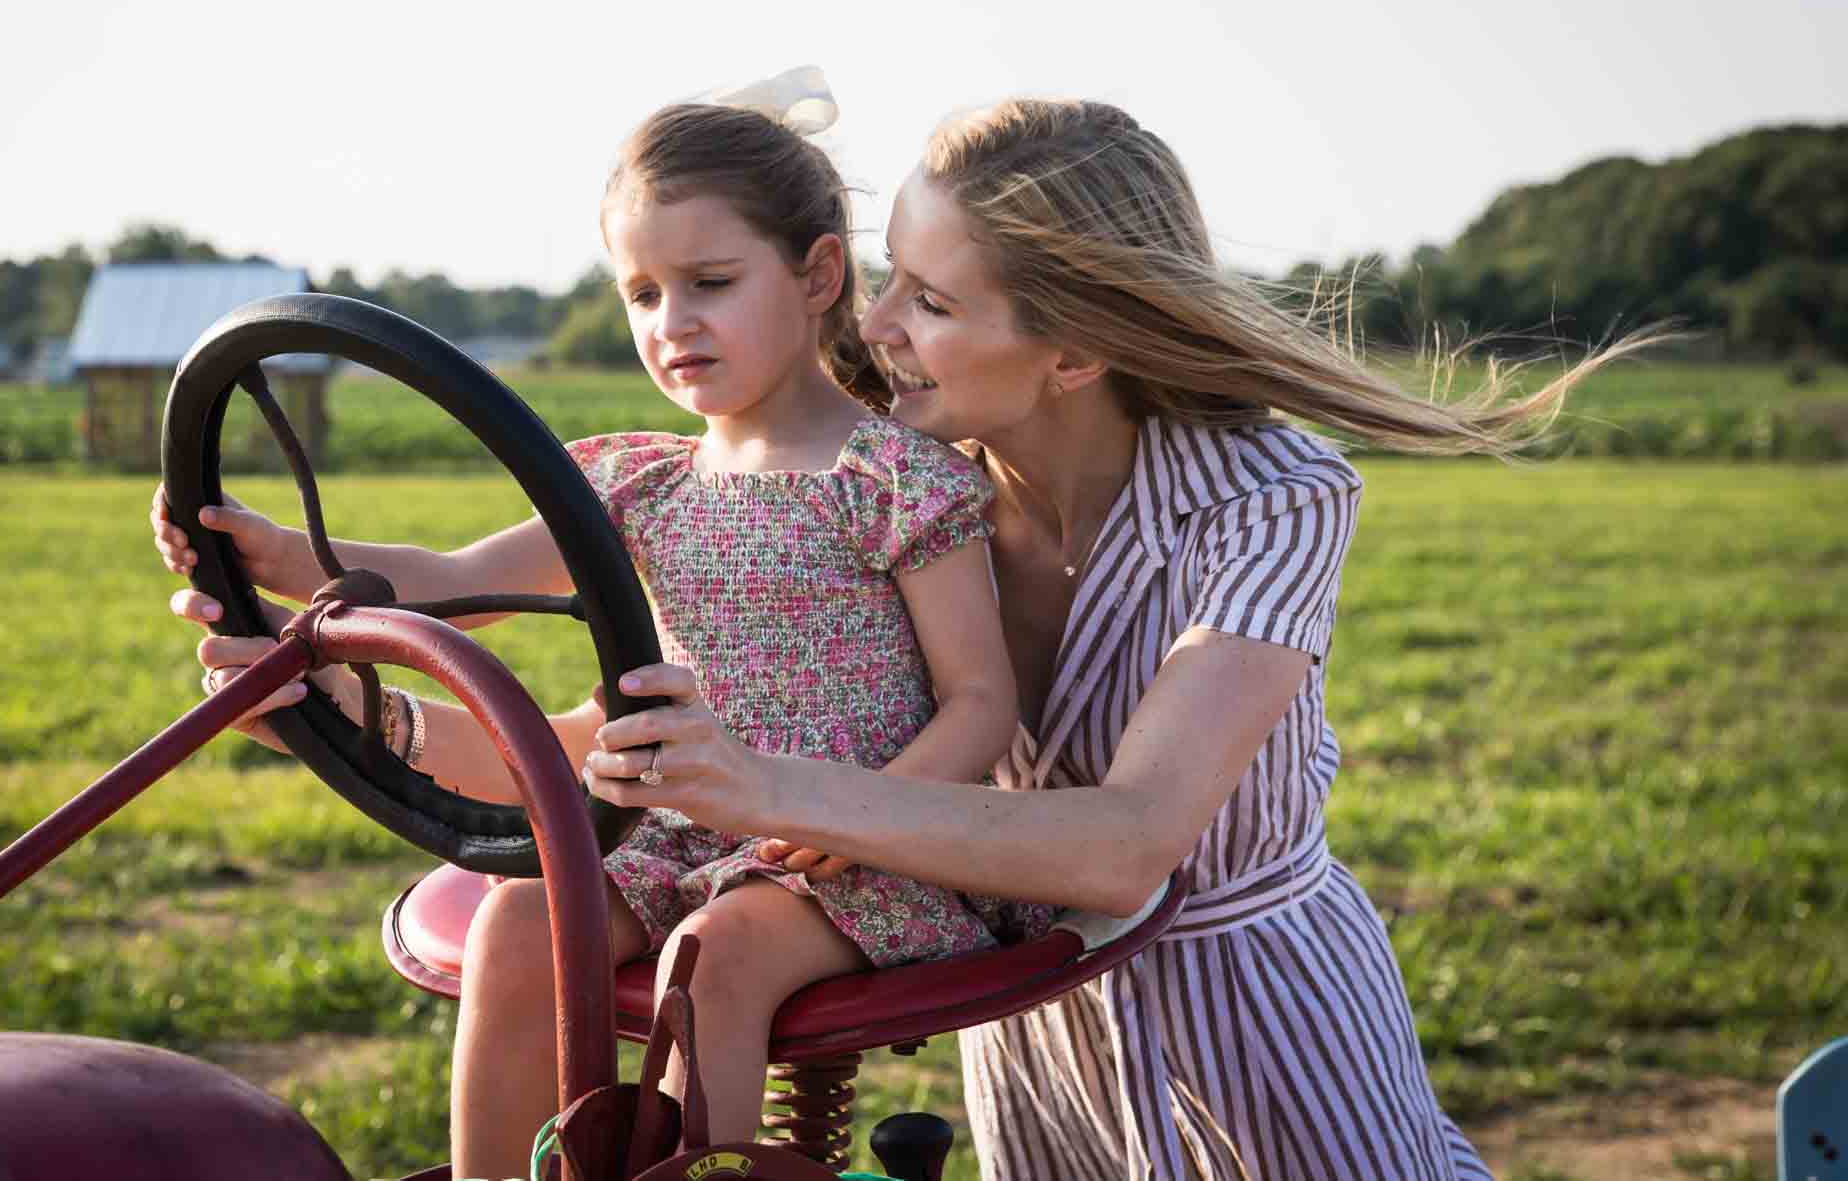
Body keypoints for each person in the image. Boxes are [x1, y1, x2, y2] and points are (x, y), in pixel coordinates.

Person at [575, 98, 1667, 1181]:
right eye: (891, 278)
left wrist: (765, 789)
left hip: (1263, 1038)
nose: (876, 325)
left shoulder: (1268, 500)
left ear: (1075, 352)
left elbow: (1124, 845)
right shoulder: (898, 486)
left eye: (936, 301)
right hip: (1034, 1040)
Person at [152, 75, 1051, 1177]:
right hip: (676, 829)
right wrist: (277, 552)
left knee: (706, 961)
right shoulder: (634, 480)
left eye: (708, 283)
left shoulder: (897, 480)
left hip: (858, 849)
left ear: (816, 274)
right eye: (640, 293)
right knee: (521, 922)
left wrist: (857, 815)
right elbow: (451, 581)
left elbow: (978, 702)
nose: (671, 324)